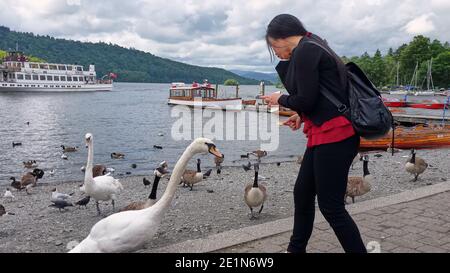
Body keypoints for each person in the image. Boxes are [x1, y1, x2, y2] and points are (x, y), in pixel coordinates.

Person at [261, 14, 367, 253]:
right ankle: (295, 249)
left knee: (331, 207)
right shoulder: (314, 43)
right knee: (303, 193)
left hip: (336, 135)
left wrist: (280, 99)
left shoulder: (306, 50)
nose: (276, 52)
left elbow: (306, 100)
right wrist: (301, 116)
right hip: (327, 132)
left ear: (283, 37)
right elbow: (326, 94)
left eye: (274, 46)